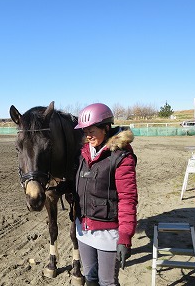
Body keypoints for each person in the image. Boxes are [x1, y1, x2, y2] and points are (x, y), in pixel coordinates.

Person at [73, 103, 138, 286]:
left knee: (107, 282)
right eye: (85, 131)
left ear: (106, 128)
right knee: (90, 277)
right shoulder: (83, 154)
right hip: (84, 230)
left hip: (108, 233)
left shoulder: (121, 157)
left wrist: (125, 237)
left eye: (92, 130)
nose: (88, 135)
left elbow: (128, 199)